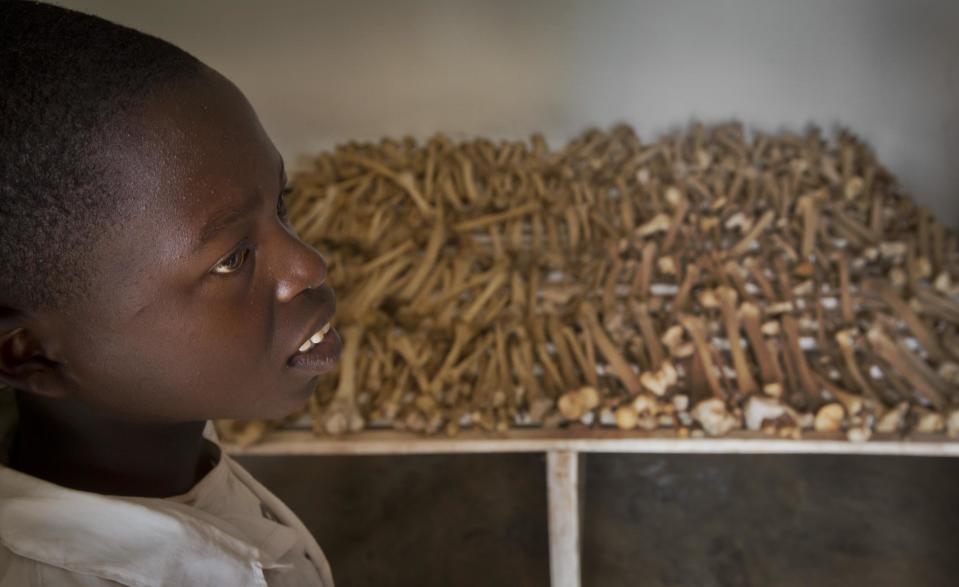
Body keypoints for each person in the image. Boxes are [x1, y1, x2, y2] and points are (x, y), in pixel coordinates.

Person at [0, 2, 342, 585]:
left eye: (280, 203)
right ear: (31, 354)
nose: (309, 266)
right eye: (233, 259)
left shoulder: (162, 441)